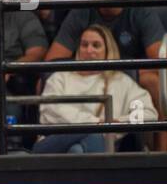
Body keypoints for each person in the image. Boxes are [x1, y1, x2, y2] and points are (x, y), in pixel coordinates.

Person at [45, 0, 167, 134]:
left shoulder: (142, 11)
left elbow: (160, 64)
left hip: (129, 76)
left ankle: (161, 154)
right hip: (89, 73)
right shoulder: (80, 13)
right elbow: (54, 61)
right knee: (45, 81)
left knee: (153, 81)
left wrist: (123, 70)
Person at [34, 24, 154, 154]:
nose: (89, 50)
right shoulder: (60, 77)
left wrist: (120, 123)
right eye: (84, 45)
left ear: (108, 50)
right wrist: (97, 124)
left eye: (96, 45)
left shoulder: (121, 81)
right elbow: (53, 110)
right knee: (94, 136)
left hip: (99, 144)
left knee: (79, 149)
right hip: (54, 142)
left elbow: (148, 114)